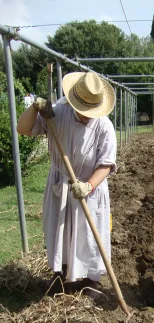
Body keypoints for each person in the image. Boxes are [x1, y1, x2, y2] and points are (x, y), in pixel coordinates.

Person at [17, 72, 117, 297]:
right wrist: (35, 109)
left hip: (89, 189)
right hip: (60, 184)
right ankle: (60, 275)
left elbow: (107, 164)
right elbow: (22, 129)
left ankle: (91, 280)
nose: (87, 115)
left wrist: (88, 186)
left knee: (89, 235)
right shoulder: (57, 113)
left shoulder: (104, 127)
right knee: (58, 230)